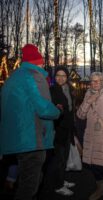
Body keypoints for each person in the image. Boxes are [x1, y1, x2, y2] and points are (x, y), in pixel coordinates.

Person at [0, 44, 60, 200]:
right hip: (31, 139)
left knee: (28, 180)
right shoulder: (35, 75)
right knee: (29, 187)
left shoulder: (13, 77)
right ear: (38, 62)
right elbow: (44, 108)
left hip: (16, 139)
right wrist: (57, 111)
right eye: (41, 61)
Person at [77, 72, 103, 200]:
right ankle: (100, 188)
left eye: (97, 81)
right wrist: (88, 102)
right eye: (92, 81)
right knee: (92, 165)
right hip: (90, 136)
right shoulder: (88, 94)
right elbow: (80, 115)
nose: (94, 83)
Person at [50, 66, 76, 196]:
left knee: (64, 158)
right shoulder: (52, 90)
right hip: (58, 130)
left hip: (67, 129)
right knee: (59, 160)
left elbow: (71, 111)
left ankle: (61, 179)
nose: (60, 78)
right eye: (58, 76)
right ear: (55, 78)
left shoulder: (69, 89)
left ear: (67, 77)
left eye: (63, 76)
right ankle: (58, 186)